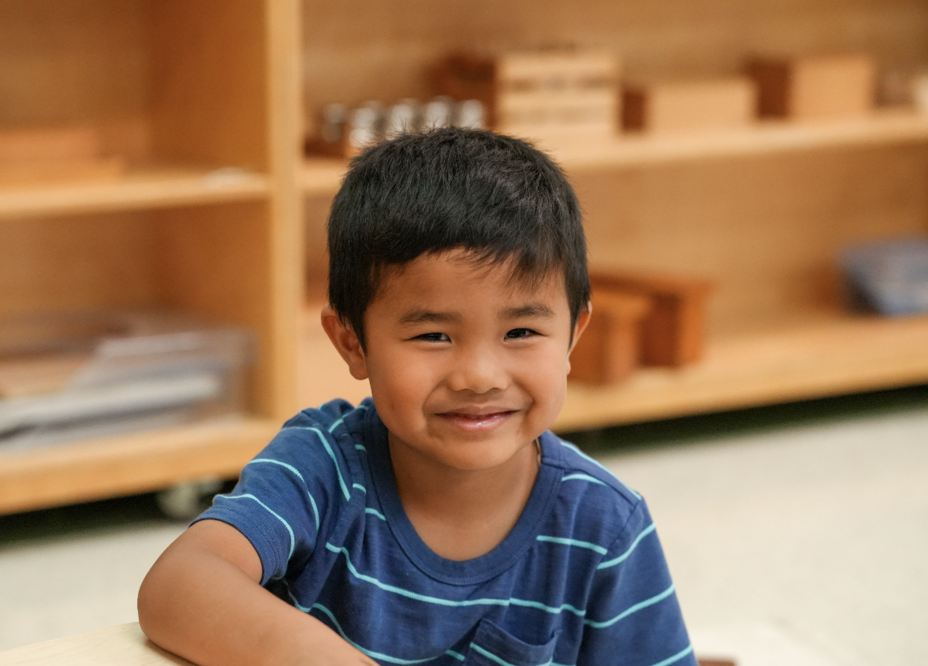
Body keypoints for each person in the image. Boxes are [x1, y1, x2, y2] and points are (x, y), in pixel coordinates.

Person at [138, 128, 697, 666]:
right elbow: (180, 582)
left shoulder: (606, 525)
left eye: (521, 333)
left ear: (573, 335)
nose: (479, 376)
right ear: (352, 343)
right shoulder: (321, 467)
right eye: (433, 336)